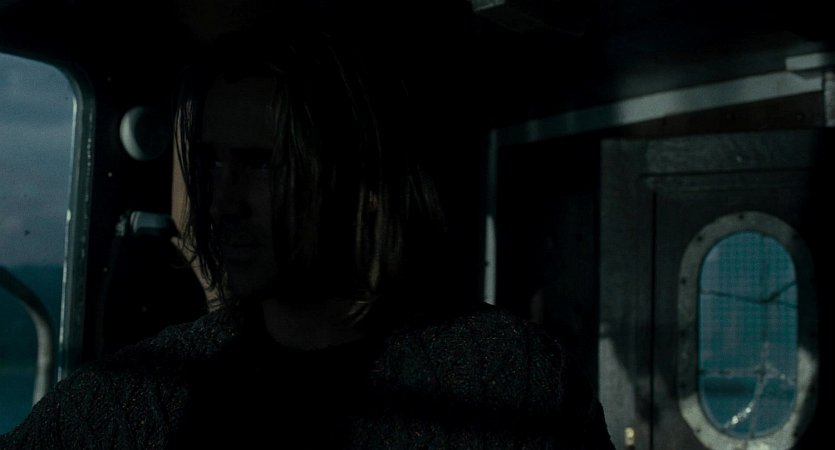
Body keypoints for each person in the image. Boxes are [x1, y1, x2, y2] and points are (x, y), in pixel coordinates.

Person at [0, 30, 615, 449]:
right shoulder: (149, 394)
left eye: (262, 164)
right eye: (212, 162)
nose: (222, 201)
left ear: (361, 177)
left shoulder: (505, 376)